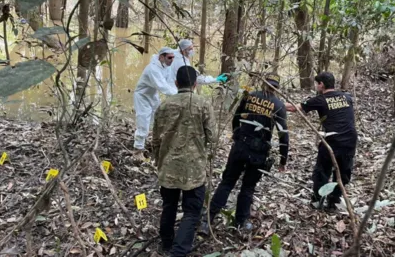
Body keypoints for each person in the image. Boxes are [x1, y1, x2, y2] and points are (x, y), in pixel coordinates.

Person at [199, 73, 289, 234]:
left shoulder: (250, 96)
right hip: (259, 152)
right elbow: (284, 135)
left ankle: (207, 221)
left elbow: (236, 117)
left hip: (241, 146)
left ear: (263, 84)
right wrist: (283, 160)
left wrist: (236, 134)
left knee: (227, 182)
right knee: (248, 188)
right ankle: (241, 222)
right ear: (276, 88)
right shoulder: (279, 105)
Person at [152, 65, 215, 257]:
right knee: (192, 211)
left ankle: (167, 243)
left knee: (169, 205)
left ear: (176, 83)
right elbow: (213, 137)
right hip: (193, 169)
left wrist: (159, 161)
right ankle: (178, 252)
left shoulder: (164, 105)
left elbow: (155, 139)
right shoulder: (203, 104)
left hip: (168, 166)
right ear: (195, 84)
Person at [285, 72, 357, 210]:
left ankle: (318, 201)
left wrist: (274, 103)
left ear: (321, 84)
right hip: (350, 140)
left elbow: (294, 108)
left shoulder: (320, 99)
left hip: (332, 141)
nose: (316, 86)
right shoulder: (347, 97)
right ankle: (334, 202)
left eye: (316, 83)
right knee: (343, 172)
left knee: (322, 171)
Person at [133, 47, 177, 157]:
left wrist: (179, 91)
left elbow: (169, 83)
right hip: (142, 96)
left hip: (153, 95)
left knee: (159, 118)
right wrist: (180, 95)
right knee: (143, 122)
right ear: (161, 57)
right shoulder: (152, 69)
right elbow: (162, 86)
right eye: (169, 57)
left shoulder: (166, 67)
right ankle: (138, 150)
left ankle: (155, 144)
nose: (172, 60)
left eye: (173, 57)